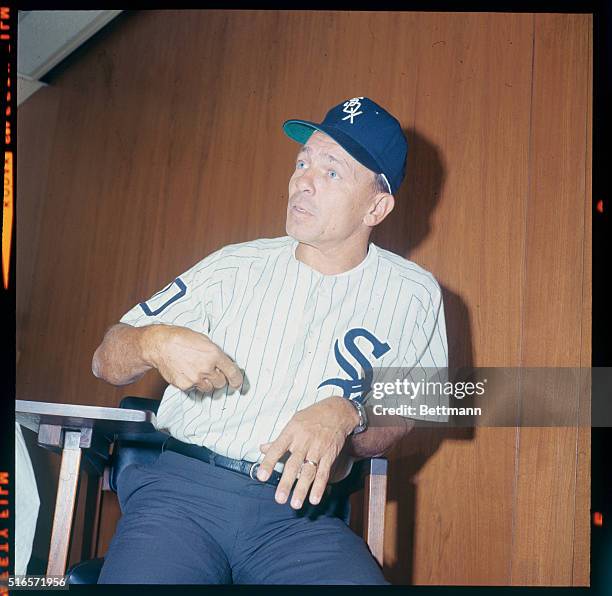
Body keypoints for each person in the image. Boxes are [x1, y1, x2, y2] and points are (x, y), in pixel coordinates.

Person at [92, 96, 448, 585]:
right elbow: (107, 359)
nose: (303, 179)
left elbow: (421, 410)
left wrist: (349, 413)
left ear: (377, 206)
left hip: (300, 519)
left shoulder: (414, 292)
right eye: (303, 162)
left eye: (332, 172)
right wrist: (153, 341)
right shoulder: (234, 265)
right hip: (184, 497)